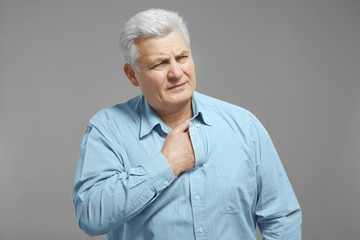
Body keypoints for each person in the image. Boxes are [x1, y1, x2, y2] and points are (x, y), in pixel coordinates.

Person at [72, 8, 302, 240]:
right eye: (160, 64)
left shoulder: (244, 126)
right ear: (132, 75)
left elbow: (281, 217)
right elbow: (90, 217)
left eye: (182, 58)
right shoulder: (108, 130)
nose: (176, 72)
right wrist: (165, 165)